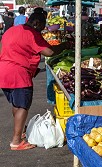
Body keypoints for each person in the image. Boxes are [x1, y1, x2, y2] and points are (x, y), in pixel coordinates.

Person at [0, 9, 72, 150]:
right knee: (23, 106)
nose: (42, 30)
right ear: (36, 23)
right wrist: (64, 46)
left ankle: (19, 133)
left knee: (16, 104)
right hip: (19, 73)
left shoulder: (11, 30)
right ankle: (16, 141)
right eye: (42, 26)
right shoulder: (32, 33)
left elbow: (6, 49)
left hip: (4, 71)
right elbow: (49, 52)